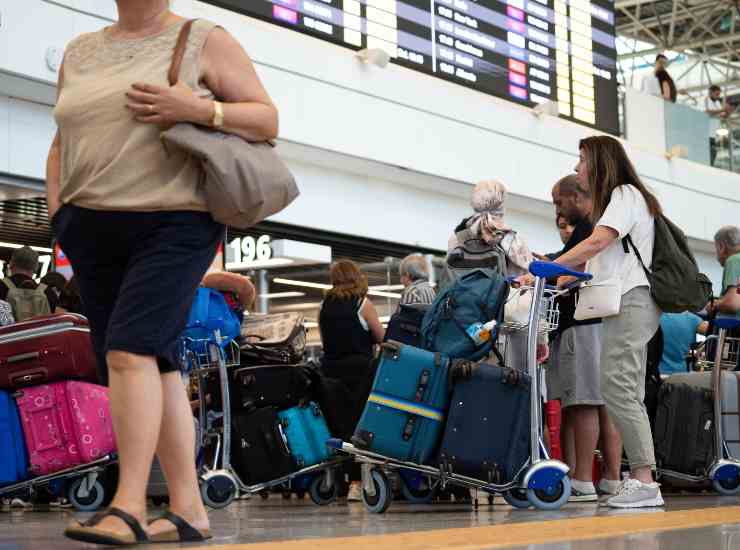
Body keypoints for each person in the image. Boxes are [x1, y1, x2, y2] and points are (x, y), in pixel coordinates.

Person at [50, 0, 279, 544]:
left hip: (175, 220)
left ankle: (128, 504)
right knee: (156, 362)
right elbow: (62, 140)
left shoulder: (203, 38)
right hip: (90, 226)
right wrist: (60, 212)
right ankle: (188, 508)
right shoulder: (80, 51)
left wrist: (201, 110)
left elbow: (267, 118)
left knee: (129, 350)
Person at [550, 136, 665, 508]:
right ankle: (640, 476)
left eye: (581, 160)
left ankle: (645, 480)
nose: (577, 168)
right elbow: (600, 262)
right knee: (617, 386)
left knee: (619, 385)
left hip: (633, 300)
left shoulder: (626, 195)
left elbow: (596, 244)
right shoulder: (613, 202)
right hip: (619, 303)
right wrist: (555, 277)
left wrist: (552, 265)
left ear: (599, 162)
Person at [549, 175, 622, 502]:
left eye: (559, 202)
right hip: (608, 321)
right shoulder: (608, 223)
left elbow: (573, 272)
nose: (559, 210)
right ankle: (611, 477)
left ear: (577, 196)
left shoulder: (586, 230)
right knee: (607, 404)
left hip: (582, 321)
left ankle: (581, 480)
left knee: (582, 403)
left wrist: (551, 272)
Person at [449, 180, 549, 367]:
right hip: (504, 328)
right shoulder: (510, 238)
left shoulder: (457, 238)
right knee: (504, 383)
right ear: (502, 202)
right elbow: (530, 285)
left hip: (467, 324)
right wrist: (541, 337)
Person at [319, 260, 384, 501]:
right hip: (359, 373)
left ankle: (336, 480)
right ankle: (359, 482)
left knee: (337, 425)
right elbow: (381, 337)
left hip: (330, 372)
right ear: (357, 276)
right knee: (359, 427)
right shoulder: (362, 304)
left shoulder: (325, 305)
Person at [0, 247, 56, 321]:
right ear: (36, 267)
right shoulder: (48, 293)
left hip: (8, 332)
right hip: (39, 332)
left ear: (11, 264)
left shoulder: (1, 286)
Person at [709, 226, 740, 320]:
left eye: (716, 248)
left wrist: (714, 304)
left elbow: (732, 303)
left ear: (722, 247)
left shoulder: (734, 260)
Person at [706, 85, 734, 166]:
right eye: (716, 94)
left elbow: (722, 115)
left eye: (719, 94)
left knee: (713, 152)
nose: (718, 96)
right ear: (710, 92)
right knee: (710, 152)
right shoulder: (706, 100)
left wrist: (728, 112)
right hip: (706, 133)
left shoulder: (718, 102)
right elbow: (708, 112)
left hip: (713, 134)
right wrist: (722, 109)